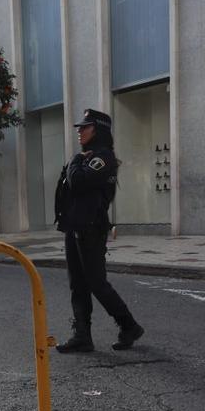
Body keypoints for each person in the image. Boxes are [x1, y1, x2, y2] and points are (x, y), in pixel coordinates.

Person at [54, 108, 143, 352]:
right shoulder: (88, 156)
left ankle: (129, 325)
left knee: (96, 283)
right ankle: (82, 335)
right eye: (80, 127)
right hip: (75, 227)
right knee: (77, 284)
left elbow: (78, 182)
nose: (80, 132)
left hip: (90, 228)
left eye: (85, 127)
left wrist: (75, 160)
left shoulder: (102, 158)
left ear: (98, 130)